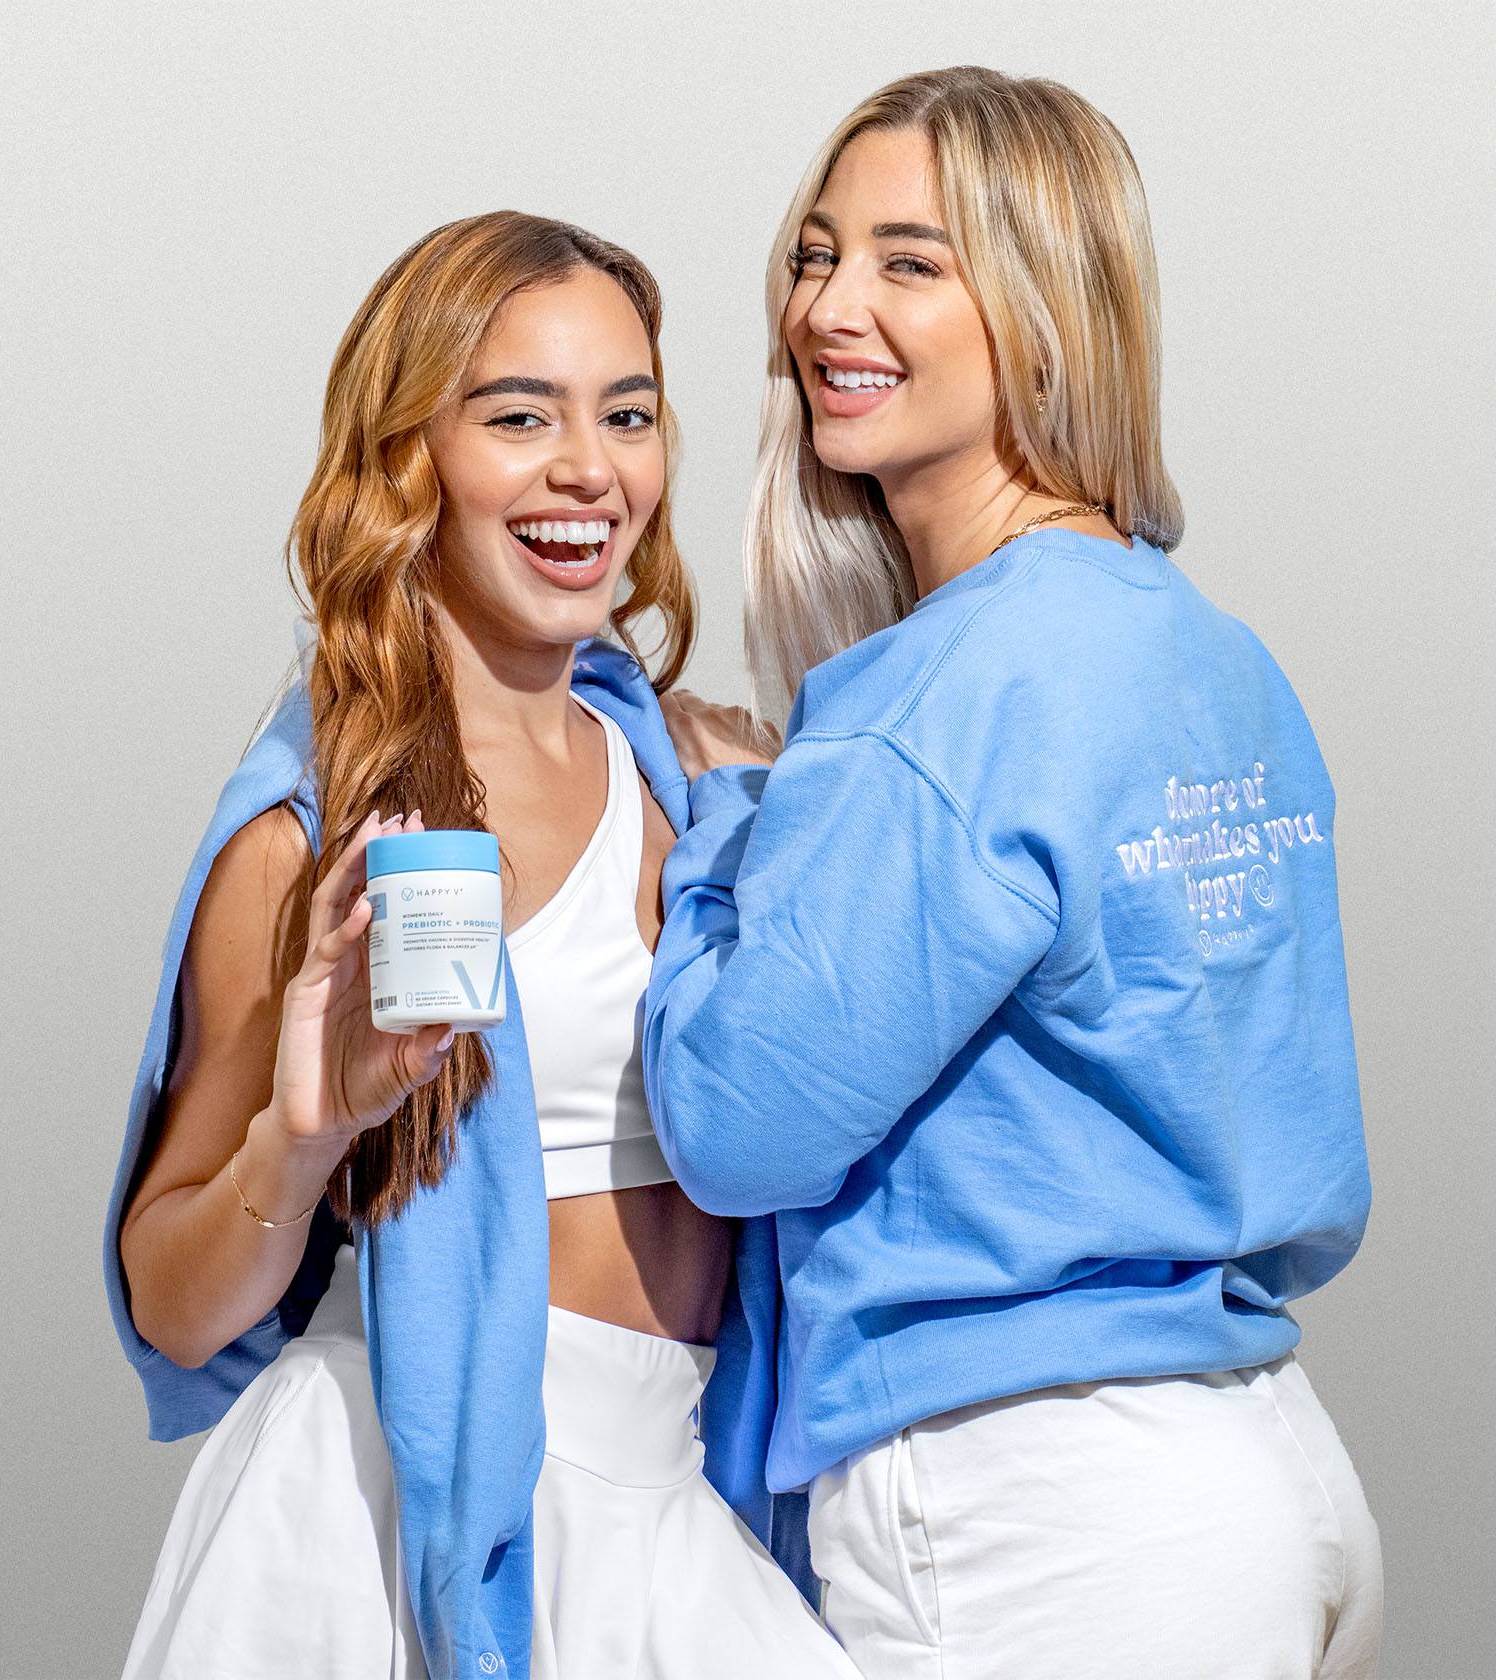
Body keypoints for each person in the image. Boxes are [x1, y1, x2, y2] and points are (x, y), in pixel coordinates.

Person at [649, 67, 1384, 1679]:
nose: (831, 308)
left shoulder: (950, 691)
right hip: (1266, 1472)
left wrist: (725, 829)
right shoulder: (1204, 652)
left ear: (1047, 314)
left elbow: (731, 1126)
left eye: (914, 263)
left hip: (1045, 1511)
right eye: (816, 253)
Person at [104, 211, 857, 1680]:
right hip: (387, 1513)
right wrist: (305, 1137)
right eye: (521, 417)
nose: (590, 468)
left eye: (626, 414)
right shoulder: (317, 840)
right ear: (412, 461)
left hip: (675, 1495)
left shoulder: (693, 781)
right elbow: (173, 1303)